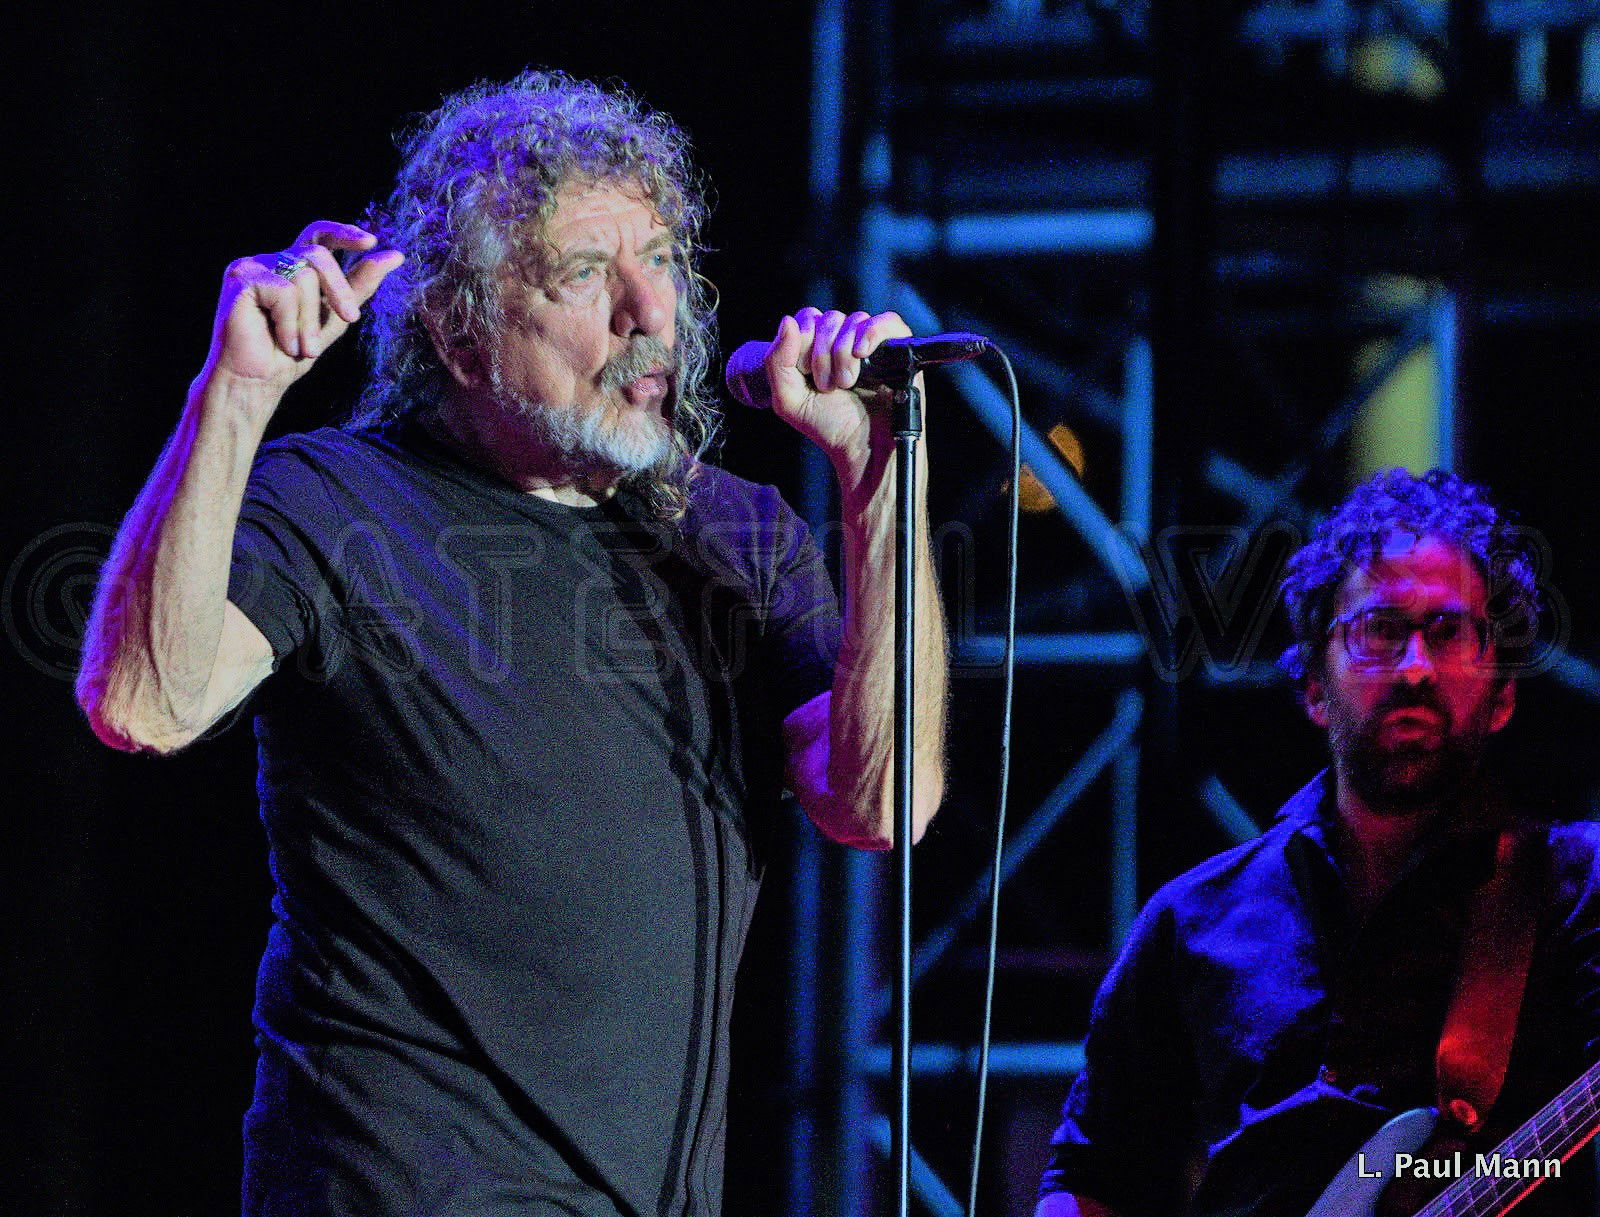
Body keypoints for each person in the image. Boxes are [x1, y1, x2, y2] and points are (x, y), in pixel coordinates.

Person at [75, 70, 947, 1217]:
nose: (651, 312)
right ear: (458, 328)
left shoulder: (737, 536)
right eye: (584, 273)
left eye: (662, 259)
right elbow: (145, 701)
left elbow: (880, 800)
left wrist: (882, 476)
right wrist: (234, 398)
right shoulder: (335, 504)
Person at [1036, 469, 1600, 1217]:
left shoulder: (1577, 885)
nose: (1415, 666)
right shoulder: (1192, 923)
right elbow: (1092, 1179)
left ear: (1503, 693)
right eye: (1380, 630)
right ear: (1312, 685)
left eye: (1449, 631)